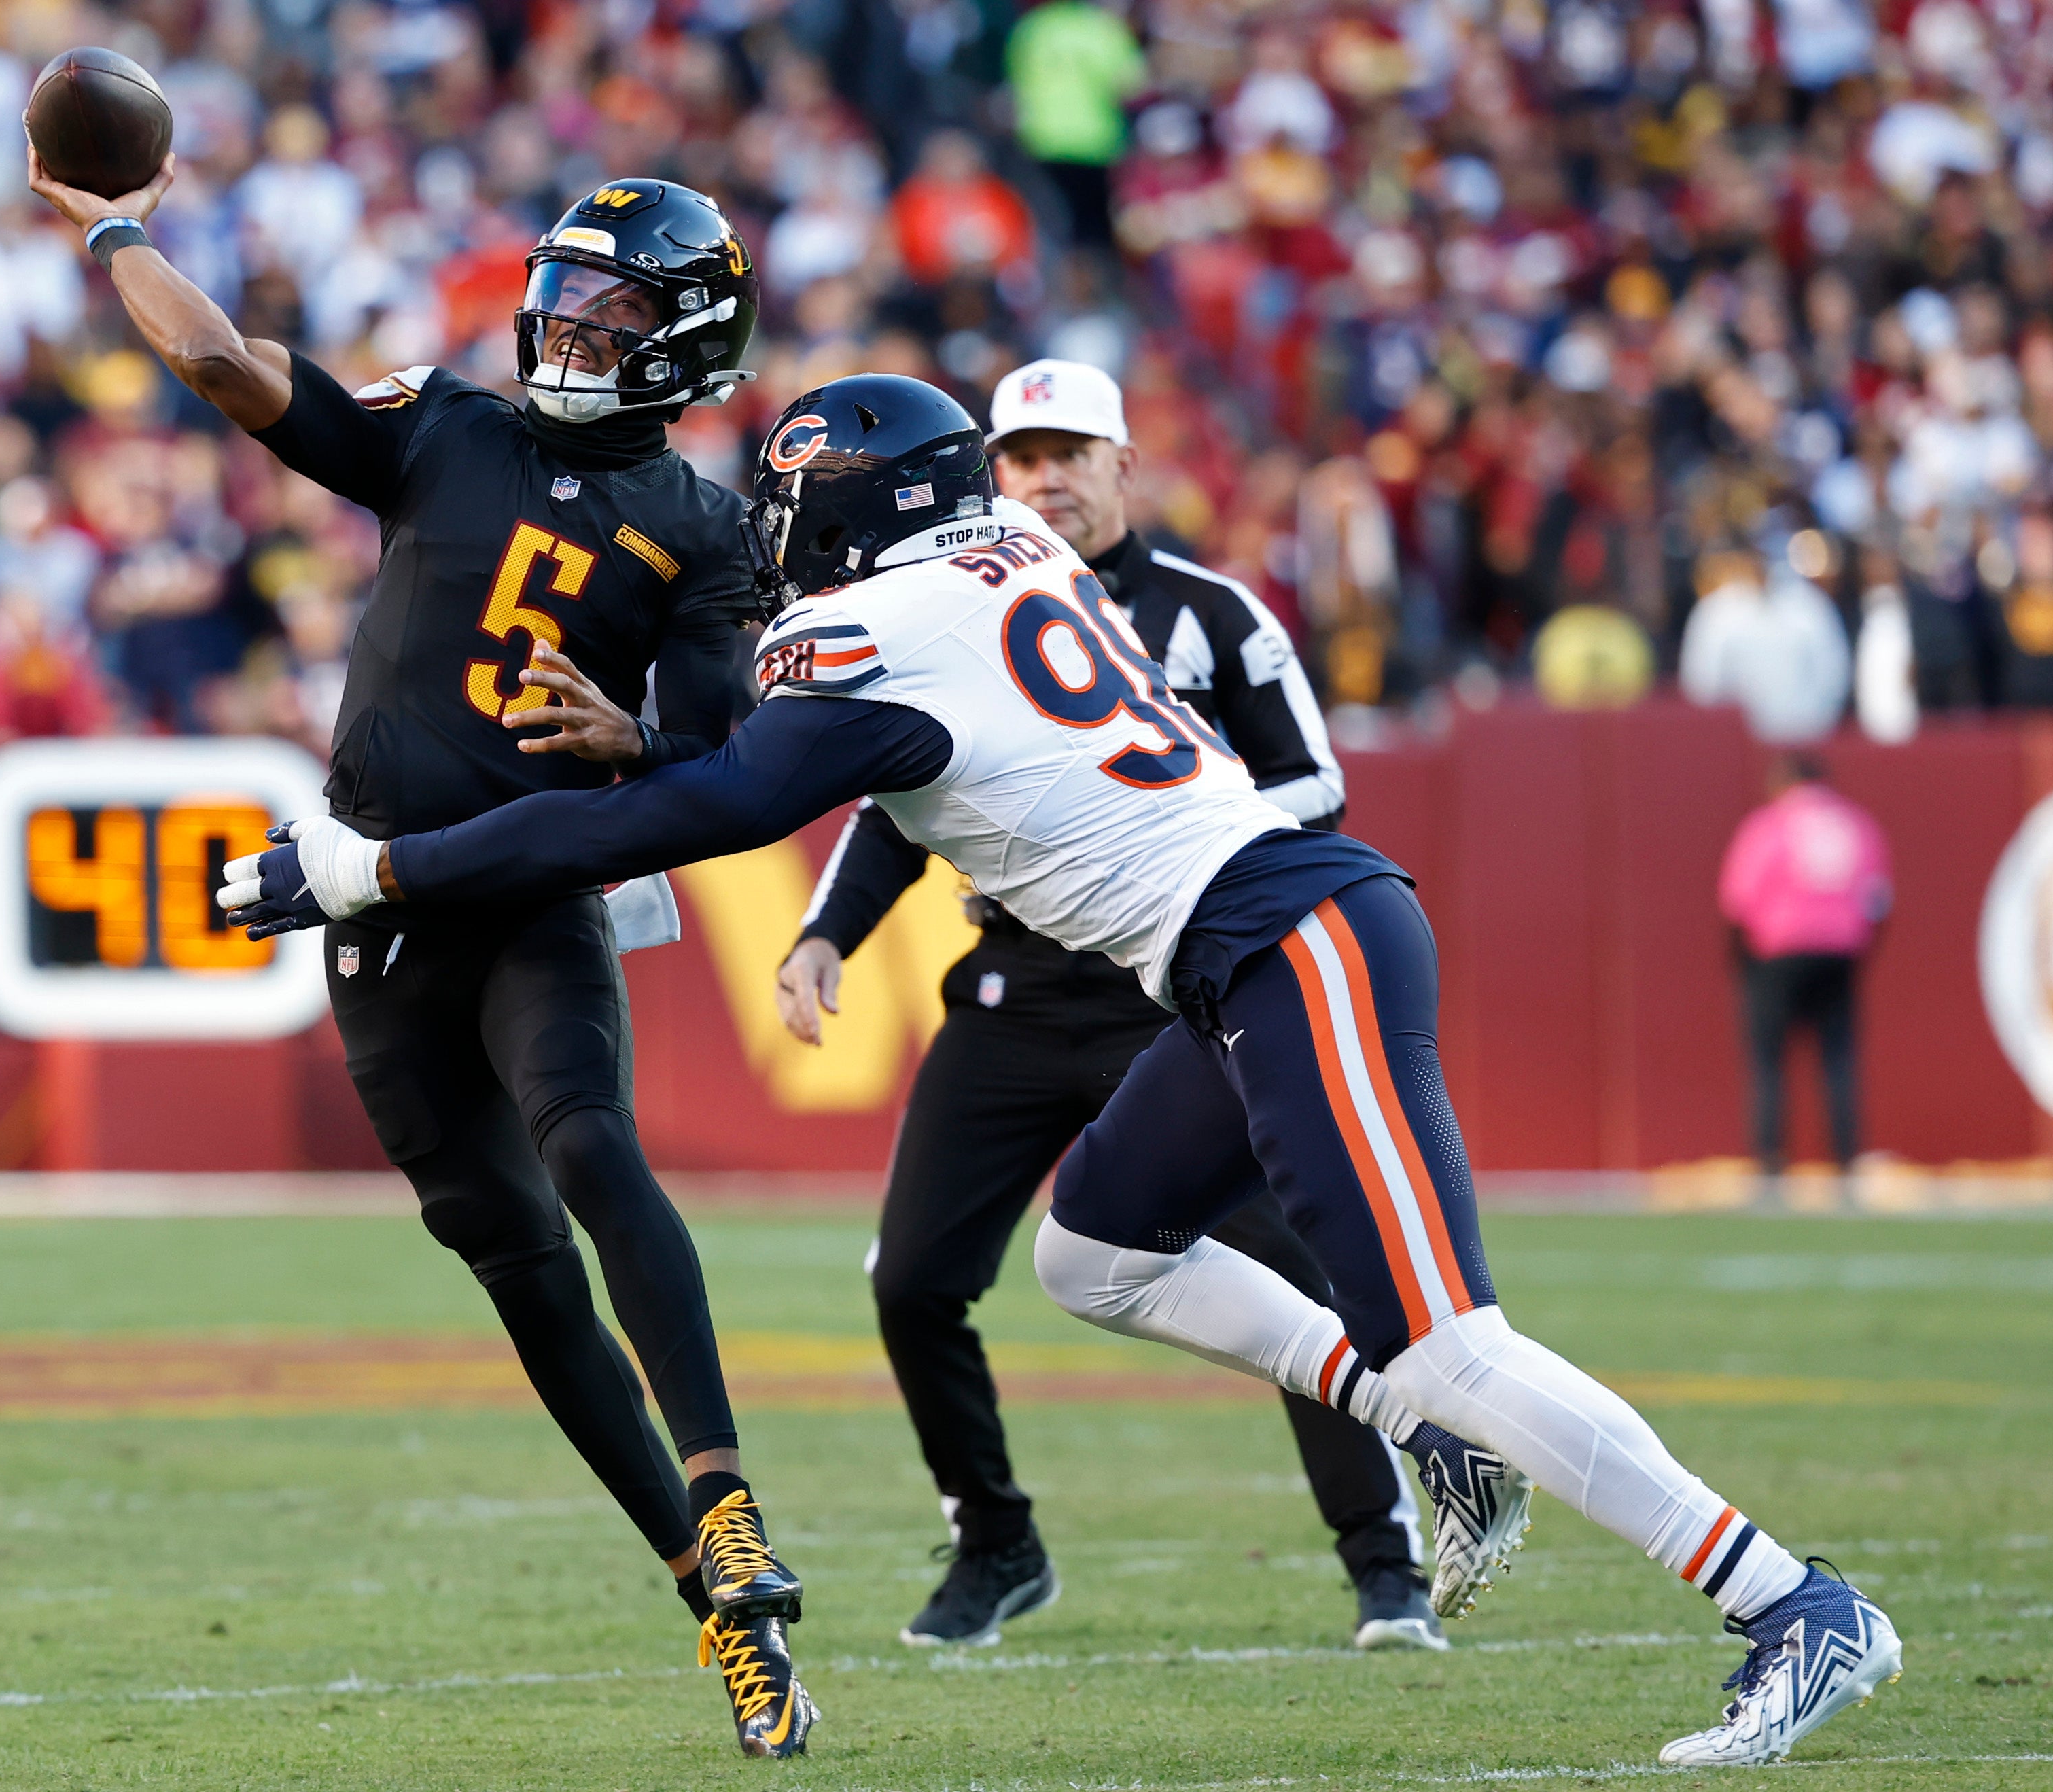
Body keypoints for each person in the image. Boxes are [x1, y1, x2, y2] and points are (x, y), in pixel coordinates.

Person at [231, 374, 1907, 1769]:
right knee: (1095, 1248)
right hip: (1234, 951)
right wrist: (667, 751)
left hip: (1288, 935)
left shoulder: (868, 634)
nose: (779, 540)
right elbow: (810, 755)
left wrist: (375, 870)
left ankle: (1788, 1599)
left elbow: (711, 806)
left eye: (803, 508)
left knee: (1456, 1332)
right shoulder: (1015, 549)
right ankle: (1413, 1415)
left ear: (862, 519)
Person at [28, 150, 815, 1757]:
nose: (572, 330)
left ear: (685, 340)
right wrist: (117, 230)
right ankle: (710, 1602)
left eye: (613, 313)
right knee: (520, 1269)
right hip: (368, 907)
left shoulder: (705, 526)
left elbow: (730, 755)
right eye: (566, 300)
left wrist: (640, 732)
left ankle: (729, 1500)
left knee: (592, 1144)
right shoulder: (448, 424)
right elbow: (226, 365)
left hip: (526, 891)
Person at [773, 359, 1439, 1653]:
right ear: (985, 477)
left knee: (1292, 1271)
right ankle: (996, 1542)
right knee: (910, 1279)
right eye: (1021, 458)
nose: (1047, 478)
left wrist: (1169, 826)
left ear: (1126, 463)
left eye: (1072, 451)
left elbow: (1316, 791)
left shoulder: (1213, 615)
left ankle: (1382, 1560)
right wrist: (824, 933)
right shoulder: (940, 601)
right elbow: (890, 800)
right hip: (1014, 994)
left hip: (1174, 991)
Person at [1717, 755, 1893, 1173]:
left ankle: (1771, 1158)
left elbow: (1738, 902)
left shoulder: (1769, 826)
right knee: (1837, 1057)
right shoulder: (1856, 825)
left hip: (1777, 952)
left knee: (1768, 1060)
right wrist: (1858, 949)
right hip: (1840, 951)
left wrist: (1740, 960)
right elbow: (1879, 899)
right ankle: (1844, 1157)